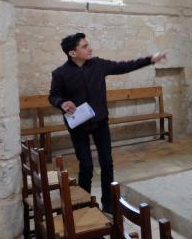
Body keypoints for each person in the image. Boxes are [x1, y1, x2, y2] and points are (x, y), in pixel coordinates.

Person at [48, 33, 167, 213]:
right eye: (85, 46)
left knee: (107, 163)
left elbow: (124, 66)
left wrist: (151, 59)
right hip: (78, 125)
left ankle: (109, 203)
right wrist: (61, 103)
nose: (90, 49)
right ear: (72, 53)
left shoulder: (98, 64)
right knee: (86, 165)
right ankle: (84, 203)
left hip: (100, 122)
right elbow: (53, 95)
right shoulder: (60, 73)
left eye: (89, 45)